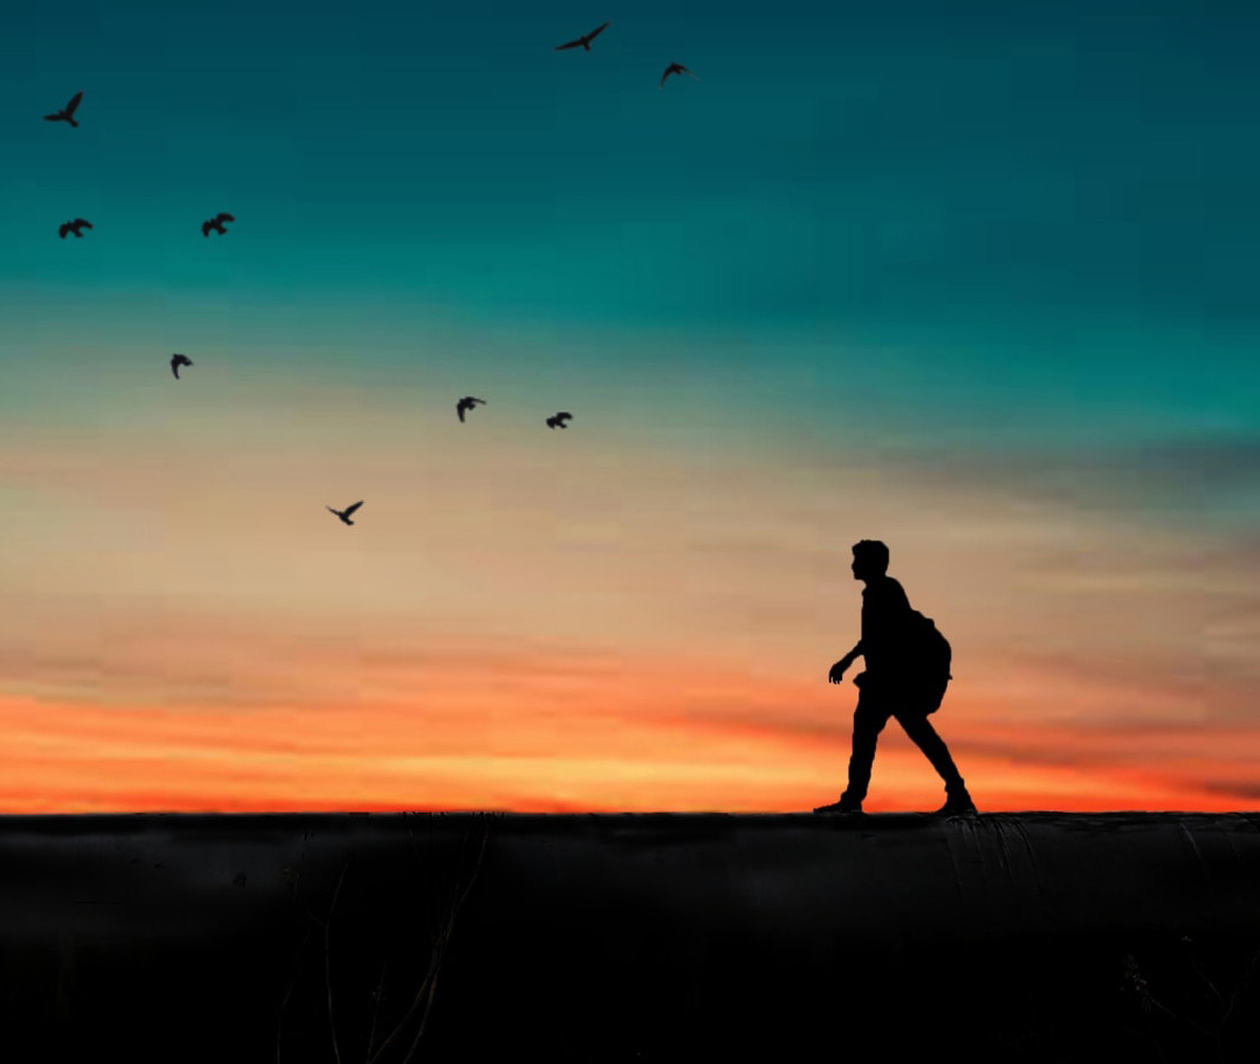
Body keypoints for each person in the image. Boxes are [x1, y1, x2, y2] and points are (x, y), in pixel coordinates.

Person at [814, 539, 976, 815]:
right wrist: (848, 660)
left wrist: (848, 661)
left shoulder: (886, 591)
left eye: (857, 560)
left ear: (871, 563)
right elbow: (872, 637)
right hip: (884, 680)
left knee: (909, 733)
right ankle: (854, 798)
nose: (853, 565)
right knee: (876, 735)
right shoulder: (876, 592)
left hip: (893, 682)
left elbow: (887, 635)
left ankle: (957, 793)